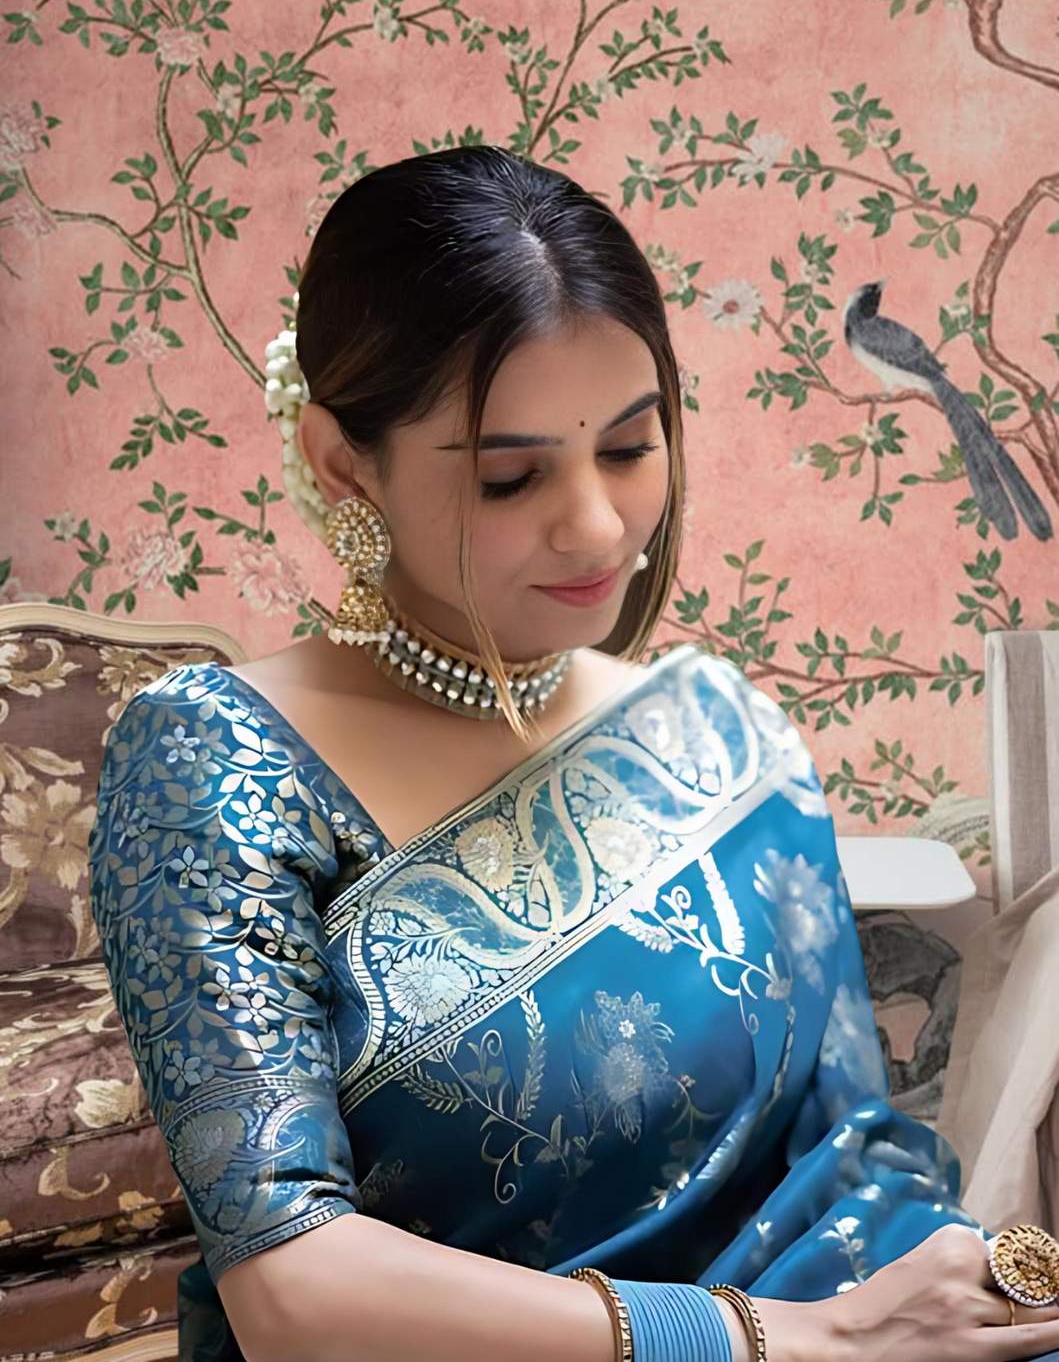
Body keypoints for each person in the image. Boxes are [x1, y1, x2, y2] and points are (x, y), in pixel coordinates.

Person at [87, 145, 1059, 1362]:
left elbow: (856, 1155)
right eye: (511, 475)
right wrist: (793, 1344)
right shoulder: (217, 759)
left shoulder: (719, 731)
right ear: (347, 465)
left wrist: (970, 1301)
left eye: (631, 446)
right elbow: (292, 1290)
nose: (599, 525)